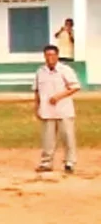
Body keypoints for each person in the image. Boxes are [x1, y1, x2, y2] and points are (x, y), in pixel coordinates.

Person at [34, 44, 80, 173]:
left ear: (57, 56)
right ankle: (46, 162)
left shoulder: (65, 70)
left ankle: (69, 162)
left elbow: (75, 87)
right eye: (47, 55)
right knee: (48, 139)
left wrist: (59, 96)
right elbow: (37, 90)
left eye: (52, 55)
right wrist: (37, 106)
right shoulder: (40, 71)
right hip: (47, 110)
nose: (50, 58)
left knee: (68, 137)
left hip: (63, 109)